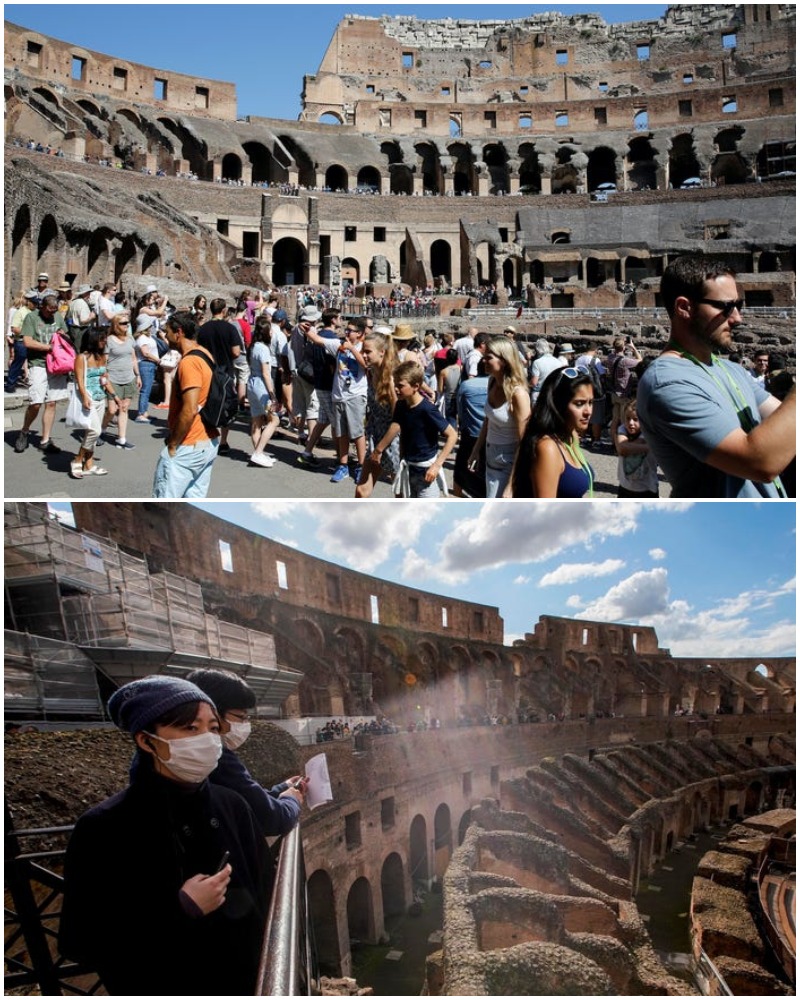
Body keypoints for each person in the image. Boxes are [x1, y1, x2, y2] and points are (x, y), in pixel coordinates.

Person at [58, 675, 269, 996]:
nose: (207, 739)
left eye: (213, 728)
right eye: (190, 728)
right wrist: (180, 909)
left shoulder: (233, 806)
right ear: (147, 741)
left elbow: (267, 891)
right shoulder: (103, 827)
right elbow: (81, 941)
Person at [637, 255, 795, 498]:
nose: (737, 318)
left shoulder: (730, 370)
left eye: (738, 306)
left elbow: (785, 422)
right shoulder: (668, 383)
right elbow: (760, 462)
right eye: (725, 307)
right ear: (684, 308)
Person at [185, 669, 305, 835]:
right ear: (213, 712)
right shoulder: (214, 757)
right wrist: (291, 799)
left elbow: (245, 797)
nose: (246, 723)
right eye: (241, 717)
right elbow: (272, 819)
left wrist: (282, 788)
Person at [151, 311, 219, 498]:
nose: (165, 336)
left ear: (178, 332)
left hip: (189, 444)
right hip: (207, 441)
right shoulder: (205, 353)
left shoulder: (189, 363)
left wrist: (173, 444)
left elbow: (189, 408)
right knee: (193, 499)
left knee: (164, 505)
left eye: (167, 332)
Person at [370, 360, 457, 498]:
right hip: (409, 470)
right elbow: (396, 425)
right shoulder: (400, 405)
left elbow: (452, 435)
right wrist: (379, 449)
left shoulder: (427, 409)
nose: (396, 389)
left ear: (416, 386)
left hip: (426, 473)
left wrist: (436, 465)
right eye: (395, 384)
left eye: (401, 385)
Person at [512, 366, 595, 498]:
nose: (588, 411)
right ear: (558, 404)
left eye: (590, 402)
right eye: (579, 403)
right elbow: (545, 510)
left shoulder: (571, 436)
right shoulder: (548, 447)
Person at [469, 337, 531, 498]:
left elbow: (525, 440)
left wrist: (511, 485)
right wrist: (476, 450)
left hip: (508, 461)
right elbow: (488, 419)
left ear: (504, 361)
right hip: (490, 456)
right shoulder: (492, 382)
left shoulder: (518, 395)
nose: (483, 360)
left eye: (489, 357)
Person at [14, 294, 71, 455]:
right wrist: (49, 348)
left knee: (51, 402)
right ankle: (25, 431)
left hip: (56, 364)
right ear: (42, 307)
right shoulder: (31, 318)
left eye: (54, 311)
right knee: (36, 403)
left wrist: (63, 340)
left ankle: (45, 440)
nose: (52, 314)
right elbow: (27, 341)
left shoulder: (58, 316)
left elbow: (64, 334)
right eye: (49, 311)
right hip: (38, 363)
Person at [355, 329, 399, 498]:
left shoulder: (392, 379)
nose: (363, 355)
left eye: (367, 352)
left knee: (400, 493)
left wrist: (379, 449)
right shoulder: (372, 372)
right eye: (362, 351)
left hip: (394, 438)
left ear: (382, 352)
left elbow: (399, 419)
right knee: (361, 490)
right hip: (376, 432)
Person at [71, 328, 115, 479]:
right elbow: (79, 380)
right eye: (102, 339)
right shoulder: (81, 358)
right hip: (88, 398)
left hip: (100, 398)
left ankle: (88, 464)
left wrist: (114, 395)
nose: (105, 341)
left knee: (92, 433)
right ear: (93, 339)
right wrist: (84, 397)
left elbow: (104, 378)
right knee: (95, 431)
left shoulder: (102, 357)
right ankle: (77, 459)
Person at [101, 312, 139, 450]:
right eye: (123, 323)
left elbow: (133, 358)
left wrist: (138, 375)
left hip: (129, 378)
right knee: (112, 409)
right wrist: (104, 376)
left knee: (124, 408)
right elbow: (104, 361)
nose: (127, 325)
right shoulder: (109, 340)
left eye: (127, 322)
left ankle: (121, 439)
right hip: (113, 378)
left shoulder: (130, 339)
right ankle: (103, 428)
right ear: (116, 325)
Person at [246, 316, 280, 468]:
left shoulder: (253, 347)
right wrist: (273, 395)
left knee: (256, 421)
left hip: (251, 383)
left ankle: (258, 452)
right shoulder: (264, 349)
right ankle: (258, 452)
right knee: (274, 420)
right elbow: (266, 374)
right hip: (261, 386)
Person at [616, 398, 659, 498]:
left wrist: (623, 444)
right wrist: (649, 447)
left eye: (636, 419)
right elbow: (623, 449)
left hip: (647, 488)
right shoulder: (622, 428)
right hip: (625, 486)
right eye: (627, 418)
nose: (631, 423)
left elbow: (623, 447)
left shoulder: (648, 433)